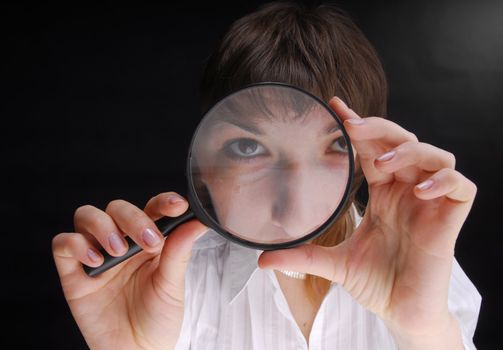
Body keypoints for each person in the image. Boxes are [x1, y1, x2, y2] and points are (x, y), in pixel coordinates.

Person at [52, 1, 482, 349]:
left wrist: (425, 334)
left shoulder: (425, 270)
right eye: (248, 148)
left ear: (370, 158)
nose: (292, 206)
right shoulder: (166, 290)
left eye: (334, 146)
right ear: (205, 167)